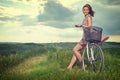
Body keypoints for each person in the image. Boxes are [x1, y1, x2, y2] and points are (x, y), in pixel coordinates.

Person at [67, 4, 109, 70]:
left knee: (75, 50)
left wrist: (81, 25)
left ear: (89, 11)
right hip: (87, 36)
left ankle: (83, 64)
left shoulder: (88, 17)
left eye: (87, 10)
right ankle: (69, 67)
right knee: (76, 51)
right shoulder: (86, 17)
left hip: (87, 37)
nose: (85, 11)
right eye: (84, 10)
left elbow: (89, 26)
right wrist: (81, 25)